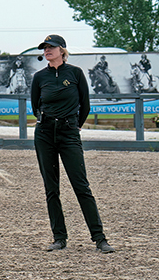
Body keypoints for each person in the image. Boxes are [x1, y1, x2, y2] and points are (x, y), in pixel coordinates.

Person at [30, 34, 114, 253]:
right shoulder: (39, 77)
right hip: (45, 134)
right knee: (51, 189)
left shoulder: (75, 73)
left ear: (62, 50)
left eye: (51, 47)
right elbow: (35, 106)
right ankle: (59, 237)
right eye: (45, 48)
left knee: (81, 186)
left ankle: (99, 238)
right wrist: (45, 122)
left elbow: (85, 105)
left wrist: (75, 126)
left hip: (69, 133)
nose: (47, 51)